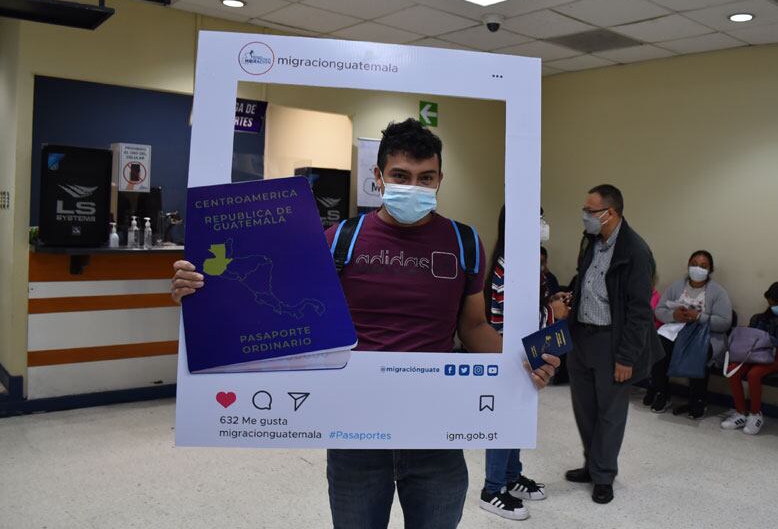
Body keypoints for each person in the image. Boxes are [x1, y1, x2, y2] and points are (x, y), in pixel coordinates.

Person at [170, 119, 559, 528]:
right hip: (354, 429)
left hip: (435, 428)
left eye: (426, 177)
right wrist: (202, 292)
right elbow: (281, 308)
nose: (414, 186)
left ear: (440, 179)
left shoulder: (464, 242)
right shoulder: (340, 239)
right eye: (401, 176)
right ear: (379, 176)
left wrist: (522, 364)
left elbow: (474, 328)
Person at [564, 184, 662, 505]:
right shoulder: (590, 241)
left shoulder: (635, 251)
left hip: (612, 342)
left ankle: (604, 475)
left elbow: (639, 311)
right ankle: (591, 464)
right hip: (581, 337)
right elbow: (586, 283)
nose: (585, 216)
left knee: (610, 413)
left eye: (590, 211)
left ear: (611, 213)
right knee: (585, 409)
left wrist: (626, 357)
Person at [481, 206, 568, 520]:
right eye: (537, 218)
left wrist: (551, 305)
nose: (543, 225)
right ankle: (492, 489)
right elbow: (513, 317)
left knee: (517, 417)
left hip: (524, 354)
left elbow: (532, 308)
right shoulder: (509, 265)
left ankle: (511, 475)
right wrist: (553, 312)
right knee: (504, 422)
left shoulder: (529, 262)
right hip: (508, 354)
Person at [649, 250, 733, 419]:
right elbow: (659, 311)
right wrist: (674, 315)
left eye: (703, 266)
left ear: (710, 270)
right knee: (659, 348)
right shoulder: (676, 287)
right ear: (688, 265)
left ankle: (698, 400)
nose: (697, 268)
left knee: (698, 353)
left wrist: (699, 317)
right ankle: (662, 393)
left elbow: (725, 322)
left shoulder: (718, 292)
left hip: (705, 335)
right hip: (677, 330)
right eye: (694, 264)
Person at [721, 282, 778, 435]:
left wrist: (771, 339)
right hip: (757, 354)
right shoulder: (765, 318)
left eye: (776, 304)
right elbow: (754, 337)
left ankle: (755, 414)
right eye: (770, 304)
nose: (773, 308)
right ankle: (740, 413)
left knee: (754, 374)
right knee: (732, 370)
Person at [641, 270, 663, 406]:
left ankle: (653, 387)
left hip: (649, 333)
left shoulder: (656, 297)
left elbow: (659, 322)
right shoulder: (631, 295)